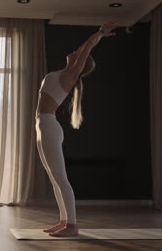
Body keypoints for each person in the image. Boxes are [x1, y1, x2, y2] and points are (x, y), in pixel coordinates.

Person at [35, 20, 118, 237]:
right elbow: (83, 50)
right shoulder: (64, 72)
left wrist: (99, 33)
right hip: (42, 127)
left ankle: (72, 225)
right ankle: (64, 221)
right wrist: (88, 44)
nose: (75, 51)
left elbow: (87, 48)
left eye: (79, 54)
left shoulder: (70, 75)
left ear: (80, 64)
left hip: (49, 127)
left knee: (60, 177)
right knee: (54, 178)